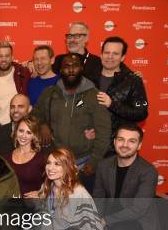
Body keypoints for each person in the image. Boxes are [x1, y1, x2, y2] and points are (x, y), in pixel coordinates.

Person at [33, 53, 111, 193]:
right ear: (60, 70)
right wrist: (42, 124)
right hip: (55, 163)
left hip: (83, 164)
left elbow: (104, 132)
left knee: (81, 210)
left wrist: (94, 161)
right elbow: (34, 116)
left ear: (81, 68)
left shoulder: (94, 95)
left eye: (75, 66)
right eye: (66, 67)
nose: (70, 70)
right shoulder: (50, 93)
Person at [93, 124, 160, 230]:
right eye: (121, 139)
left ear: (139, 145)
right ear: (115, 142)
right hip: (112, 211)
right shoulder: (104, 165)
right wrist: (95, 217)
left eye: (131, 141)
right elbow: (98, 195)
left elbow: (138, 209)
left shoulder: (148, 172)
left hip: (138, 218)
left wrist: (105, 221)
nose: (125, 145)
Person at [96, 36, 149, 148]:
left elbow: (141, 113)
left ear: (122, 57)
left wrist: (112, 104)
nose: (110, 57)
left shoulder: (133, 80)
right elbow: (79, 104)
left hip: (117, 147)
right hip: (90, 145)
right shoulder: (89, 77)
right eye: (107, 52)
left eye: (115, 53)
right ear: (101, 55)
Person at [0, 41, 30, 125]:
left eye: (7, 56)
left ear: (12, 57)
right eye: (0, 56)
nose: (3, 59)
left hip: (18, 126)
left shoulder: (22, 73)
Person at [3, 115, 46, 195]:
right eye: (21, 131)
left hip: (32, 206)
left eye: (28, 132)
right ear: (16, 132)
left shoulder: (41, 159)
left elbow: (51, 183)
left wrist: (40, 193)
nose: (23, 135)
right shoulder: (6, 158)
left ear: (34, 135)